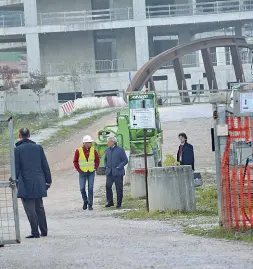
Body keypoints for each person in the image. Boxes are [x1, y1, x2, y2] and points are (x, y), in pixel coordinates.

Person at [15, 128, 52, 239]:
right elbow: (45, 165)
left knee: (30, 208)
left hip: (25, 183)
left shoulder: (17, 150)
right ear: (29, 135)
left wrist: (14, 181)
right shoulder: (38, 148)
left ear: (19, 135)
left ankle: (35, 232)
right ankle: (44, 231)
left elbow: (16, 168)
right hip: (38, 181)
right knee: (39, 207)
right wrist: (48, 181)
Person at [73, 135, 99, 211]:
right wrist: (79, 170)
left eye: (91, 142)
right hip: (82, 172)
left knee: (90, 188)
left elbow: (97, 160)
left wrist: (95, 168)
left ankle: (90, 204)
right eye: (89, 142)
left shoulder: (93, 150)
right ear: (85, 143)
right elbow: (75, 161)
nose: (91, 144)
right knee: (82, 188)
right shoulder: (78, 151)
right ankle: (85, 201)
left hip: (91, 172)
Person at [104, 136, 128, 209]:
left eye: (108, 142)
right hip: (109, 172)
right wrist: (106, 166)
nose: (107, 143)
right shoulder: (107, 150)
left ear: (112, 142)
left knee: (119, 188)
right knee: (108, 186)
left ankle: (119, 203)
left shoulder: (120, 150)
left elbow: (125, 160)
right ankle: (110, 201)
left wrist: (119, 167)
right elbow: (105, 160)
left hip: (118, 172)